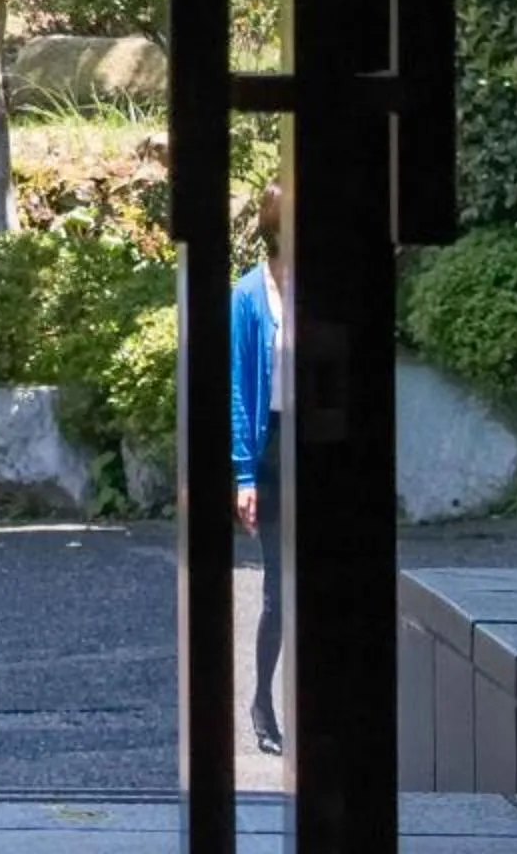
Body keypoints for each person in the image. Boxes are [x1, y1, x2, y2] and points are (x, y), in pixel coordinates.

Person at [231, 185, 288, 756]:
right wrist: (244, 473)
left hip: (313, 440)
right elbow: (238, 391)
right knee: (278, 590)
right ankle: (262, 701)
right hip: (271, 449)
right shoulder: (249, 295)